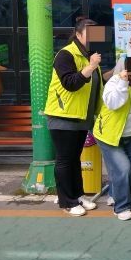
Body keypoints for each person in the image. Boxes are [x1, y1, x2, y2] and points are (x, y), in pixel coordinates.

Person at [44, 17, 103, 217]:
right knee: (64, 160)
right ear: (78, 34)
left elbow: (95, 83)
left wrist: (115, 71)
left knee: (74, 159)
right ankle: (67, 201)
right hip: (63, 116)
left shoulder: (89, 57)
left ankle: (77, 195)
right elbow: (70, 83)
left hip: (81, 117)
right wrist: (91, 66)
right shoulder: (66, 54)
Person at [93, 70, 131, 220]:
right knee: (123, 169)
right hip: (110, 135)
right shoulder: (116, 80)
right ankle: (121, 206)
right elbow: (112, 103)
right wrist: (122, 82)